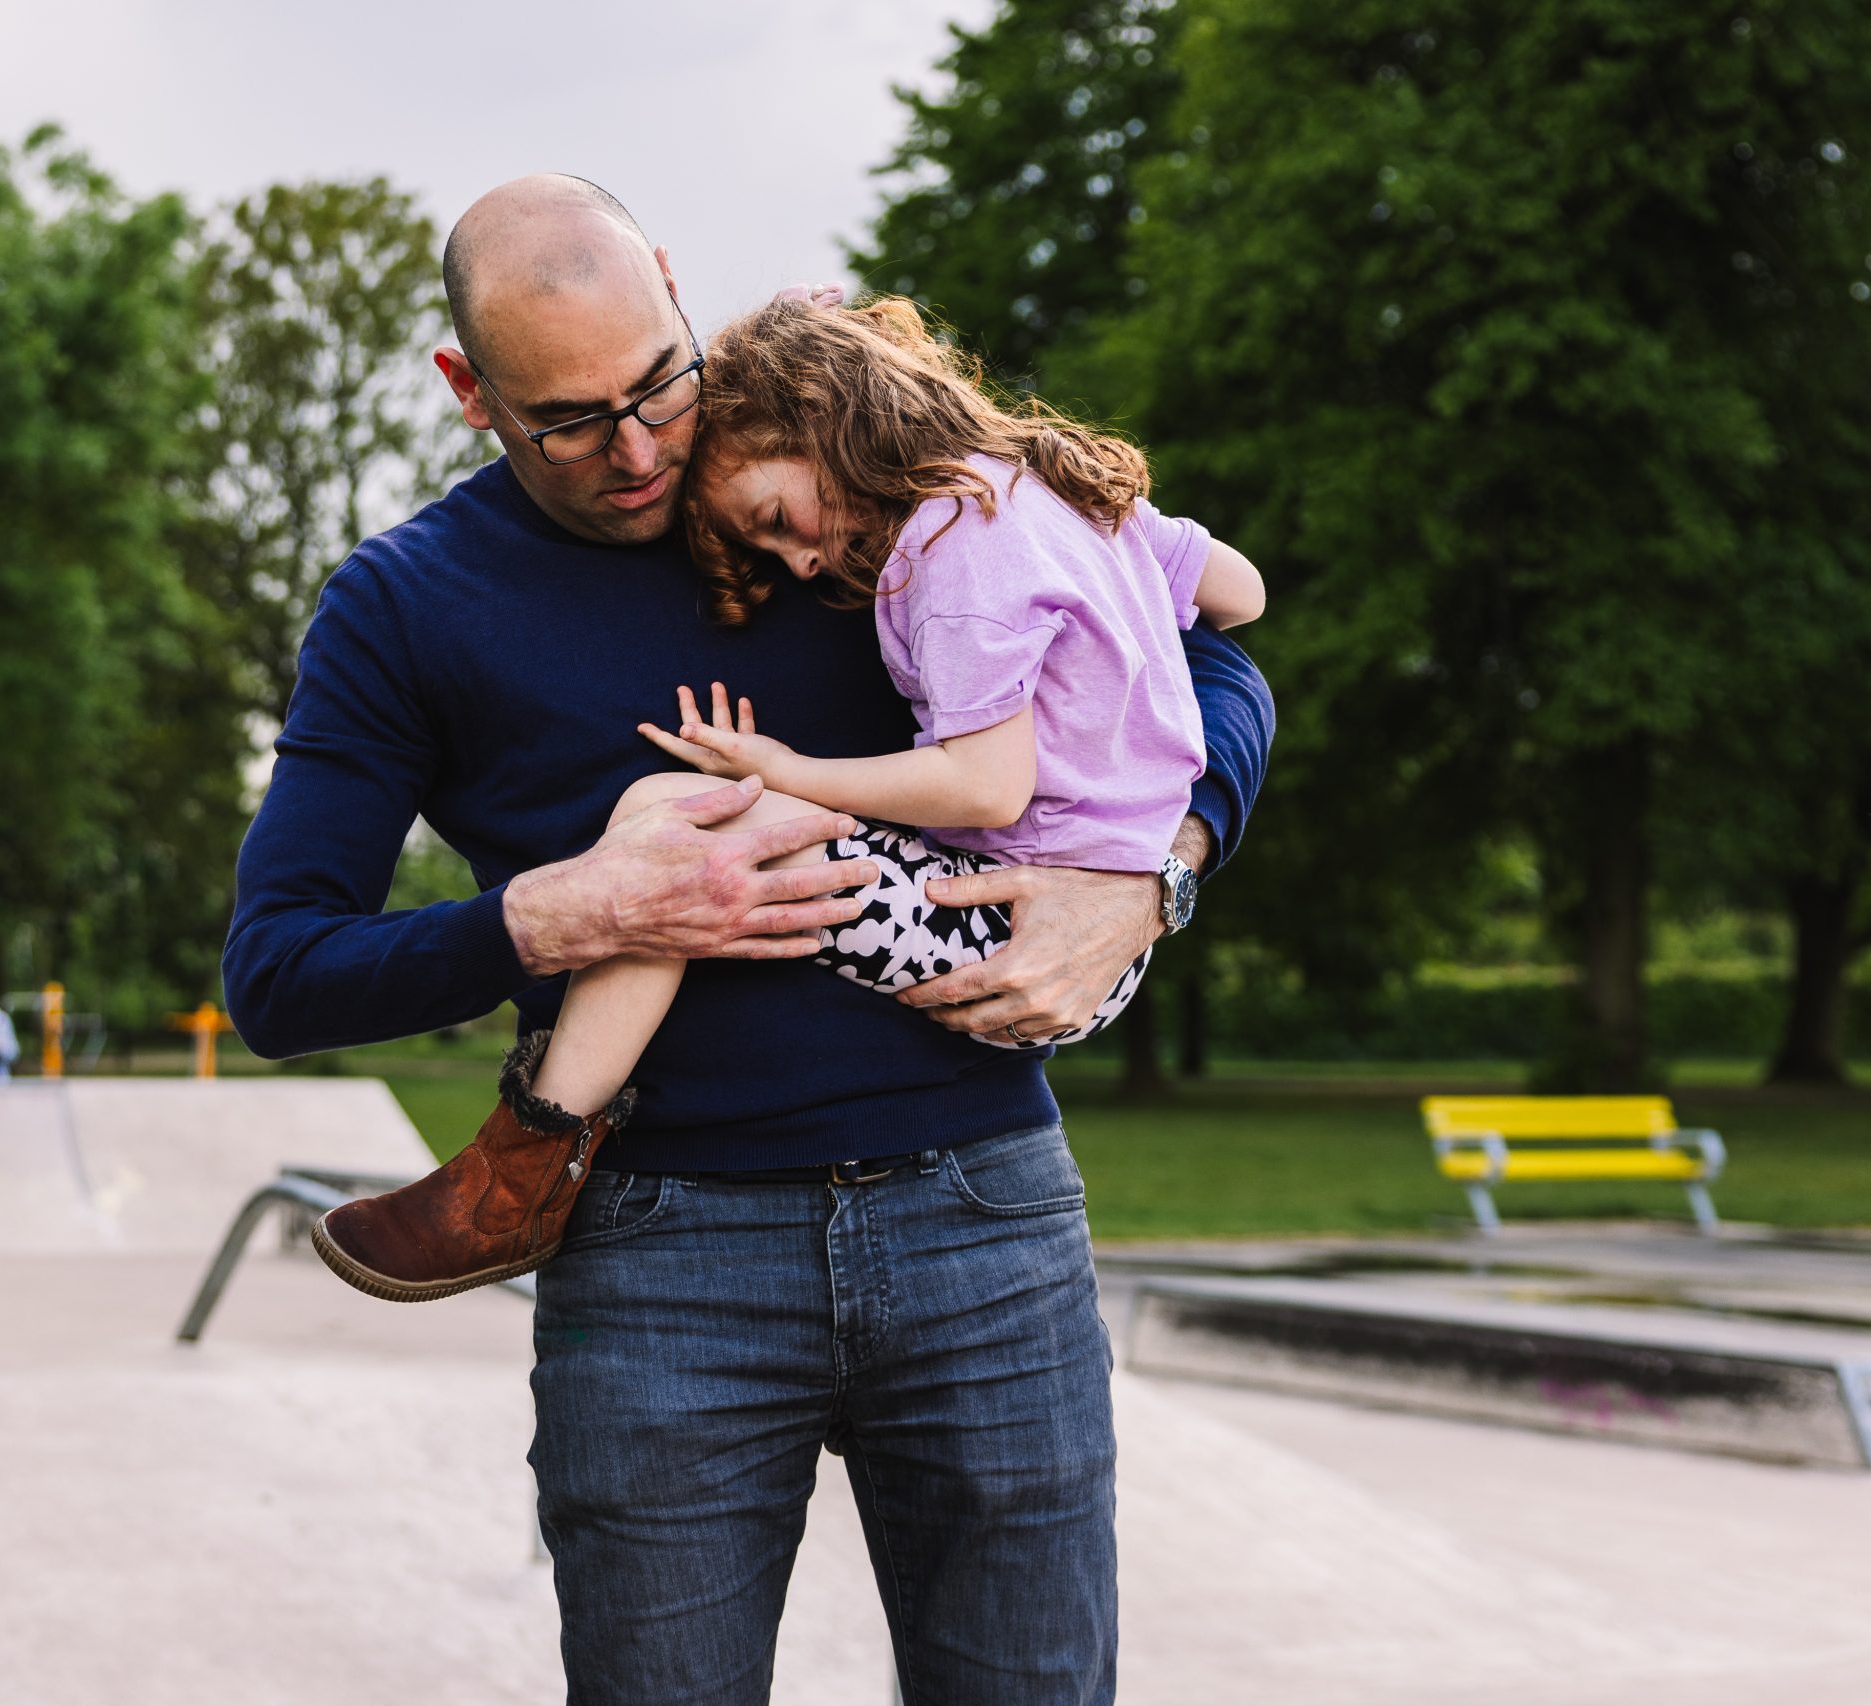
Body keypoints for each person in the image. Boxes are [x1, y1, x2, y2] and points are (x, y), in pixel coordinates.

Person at [223, 176, 1274, 1704]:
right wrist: (578, 906)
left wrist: (1154, 872)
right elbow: (279, 974)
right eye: (567, 420)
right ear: (469, 393)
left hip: (982, 1221)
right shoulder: (401, 607)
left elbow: (1203, 649)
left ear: (671, 281)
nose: (641, 449)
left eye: (657, 381)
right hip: (663, 1260)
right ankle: (517, 1156)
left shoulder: (852, 462)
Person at [314, 292, 1264, 1304]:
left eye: (776, 524)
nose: (806, 564)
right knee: (674, 825)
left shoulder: (947, 547)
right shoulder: (1051, 487)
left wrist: (774, 770)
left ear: (827, 422)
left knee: (679, 821)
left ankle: (526, 1164)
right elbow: (1238, 596)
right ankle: (528, 1161)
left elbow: (988, 781)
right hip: (1062, 914)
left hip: (1015, 928)